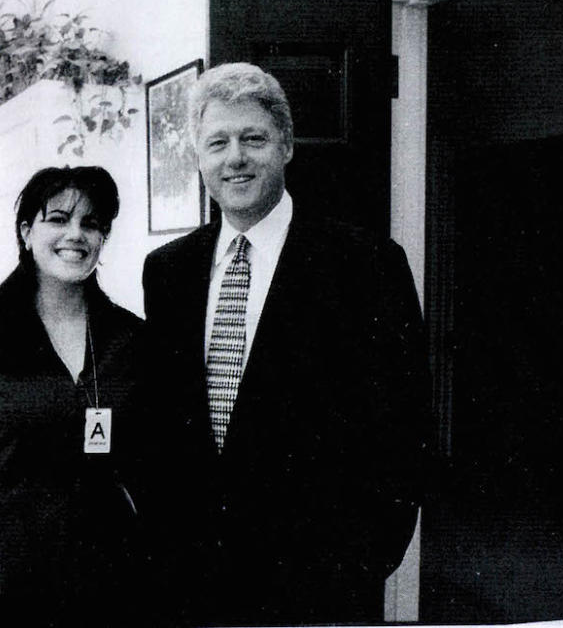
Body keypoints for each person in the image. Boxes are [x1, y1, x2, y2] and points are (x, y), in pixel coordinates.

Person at [141, 63, 429, 625]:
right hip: (195, 583)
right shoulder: (167, 272)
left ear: (287, 145)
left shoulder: (366, 265)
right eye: (217, 142)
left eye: (254, 138)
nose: (235, 158)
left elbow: (405, 428)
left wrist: (363, 561)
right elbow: (167, 427)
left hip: (319, 585)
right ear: (198, 157)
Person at [0, 166, 149, 627]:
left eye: (91, 223)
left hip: (105, 575)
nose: (75, 234)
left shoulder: (130, 338)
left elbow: (149, 464)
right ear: (26, 231)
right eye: (58, 219)